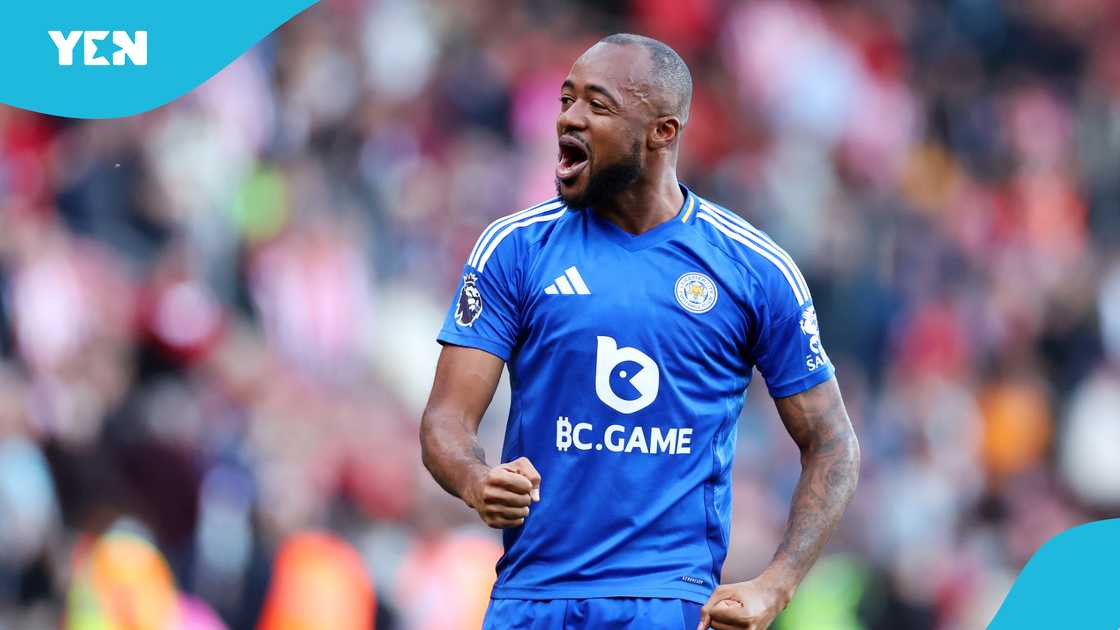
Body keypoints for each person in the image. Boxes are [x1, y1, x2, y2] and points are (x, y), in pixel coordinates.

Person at [420, 33, 860, 630]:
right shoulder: (514, 249)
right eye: (566, 99)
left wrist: (775, 587)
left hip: (666, 603)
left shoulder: (753, 268)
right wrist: (476, 479)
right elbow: (446, 420)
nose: (568, 119)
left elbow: (832, 442)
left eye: (597, 106)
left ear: (662, 133)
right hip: (531, 599)